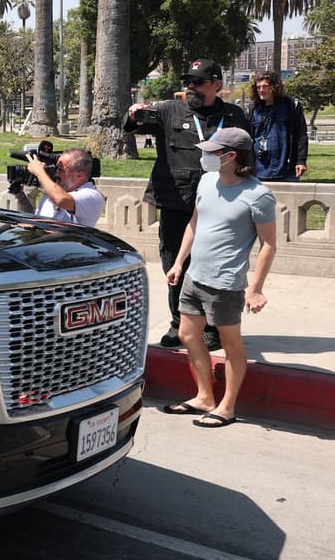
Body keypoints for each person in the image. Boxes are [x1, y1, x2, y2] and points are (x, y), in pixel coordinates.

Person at [126, 57, 250, 350]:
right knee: (174, 265)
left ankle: (211, 327)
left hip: (220, 203)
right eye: (189, 82)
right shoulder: (170, 110)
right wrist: (133, 115)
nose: (191, 87)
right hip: (176, 202)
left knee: (214, 266)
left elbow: (246, 155)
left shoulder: (234, 116)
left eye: (198, 82)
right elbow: (135, 124)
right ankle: (177, 323)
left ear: (216, 85)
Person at [161, 128, 276, 429]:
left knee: (231, 343)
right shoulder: (207, 181)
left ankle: (227, 406)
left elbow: (269, 245)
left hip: (225, 282)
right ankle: (204, 397)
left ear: (231, 156)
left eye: (212, 152)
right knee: (187, 335)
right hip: (194, 276)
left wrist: (256, 289)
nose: (206, 156)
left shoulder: (258, 195)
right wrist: (178, 262)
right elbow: (195, 223)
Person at [10, 148, 104, 227]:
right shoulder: (56, 190)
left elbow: (61, 200)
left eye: (61, 170)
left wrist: (39, 172)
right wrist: (20, 195)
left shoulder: (92, 195)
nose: (56, 173)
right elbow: (37, 219)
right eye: (56, 169)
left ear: (79, 175)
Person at [248, 70, 308, 182]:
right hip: (259, 170)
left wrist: (301, 160)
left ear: (275, 87)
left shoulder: (291, 106)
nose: (261, 90)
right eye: (258, 87)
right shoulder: (253, 109)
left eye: (265, 86)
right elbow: (248, 138)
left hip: (286, 169)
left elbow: (301, 135)